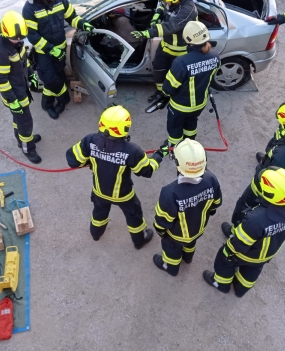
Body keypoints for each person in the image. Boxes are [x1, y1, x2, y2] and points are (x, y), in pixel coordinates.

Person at [65, 106, 168, 249]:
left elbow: (73, 160)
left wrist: (89, 161)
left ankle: (96, 234)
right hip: (124, 195)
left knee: (99, 213)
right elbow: (146, 170)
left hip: (99, 191)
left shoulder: (89, 140)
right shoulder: (132, 150)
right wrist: (159, 155)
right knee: (134, 216)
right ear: (125, 128)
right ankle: (139, 241)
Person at [203, 167, 285, 297]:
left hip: (247, 254)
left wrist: (228, 251)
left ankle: (221, 283)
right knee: (253, 268)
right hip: (269, 253)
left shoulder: (255, 219)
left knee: (224, 259)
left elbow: (239, 243)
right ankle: (240, 289)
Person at [22, 0, 94, 120]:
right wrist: (51, 49)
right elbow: (33, 36)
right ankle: (63, 99)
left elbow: (72, 17)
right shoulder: (29, 9)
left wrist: (82, 23)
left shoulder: (60, 0)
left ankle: (47, 104)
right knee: (50, 79)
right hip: (44, 52)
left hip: (60, 48)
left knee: (57, 75)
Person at [153, 139, 222, 277]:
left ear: (178, 164)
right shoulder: (211, 179)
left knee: (171, 250)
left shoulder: (169, 192)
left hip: (175, 236)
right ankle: (188, 258)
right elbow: (216, 204)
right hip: (198, 230)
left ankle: (170, 266)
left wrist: (162, 234)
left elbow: (161, 221)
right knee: (191, 243)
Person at [131, 0, 198, 102]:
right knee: (158, 70)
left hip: (181, 51)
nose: (167, 2)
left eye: (168, 1)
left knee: (176, 77)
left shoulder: (187, 10)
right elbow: (162, 6)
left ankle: (173, 95)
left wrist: (147, 33)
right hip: (166, 46)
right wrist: (157, 16)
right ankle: (161, 93)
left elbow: (171, 26)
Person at [0, 10, 42, 164]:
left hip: (22, 88)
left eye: (20, 38)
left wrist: (31, 74)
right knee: (26, 122)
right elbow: (1, 81)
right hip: (14, 95)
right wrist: (12, 100)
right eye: (14, 38)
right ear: (5, 32)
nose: (18, 40)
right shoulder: (0, 52)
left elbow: (24, 61)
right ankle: (28, 148)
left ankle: (21, 139)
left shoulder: (17, 42)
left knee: (18, 119)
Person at [161, 20, 220, 146]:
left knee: (175, 127)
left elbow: (168, 88)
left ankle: (175, 147)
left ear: (188, 39)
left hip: (180, 106)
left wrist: (164, 93)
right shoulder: (215, 56)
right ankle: (190, 143)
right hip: (200, 104)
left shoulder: (181, 62)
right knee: (191, 123)